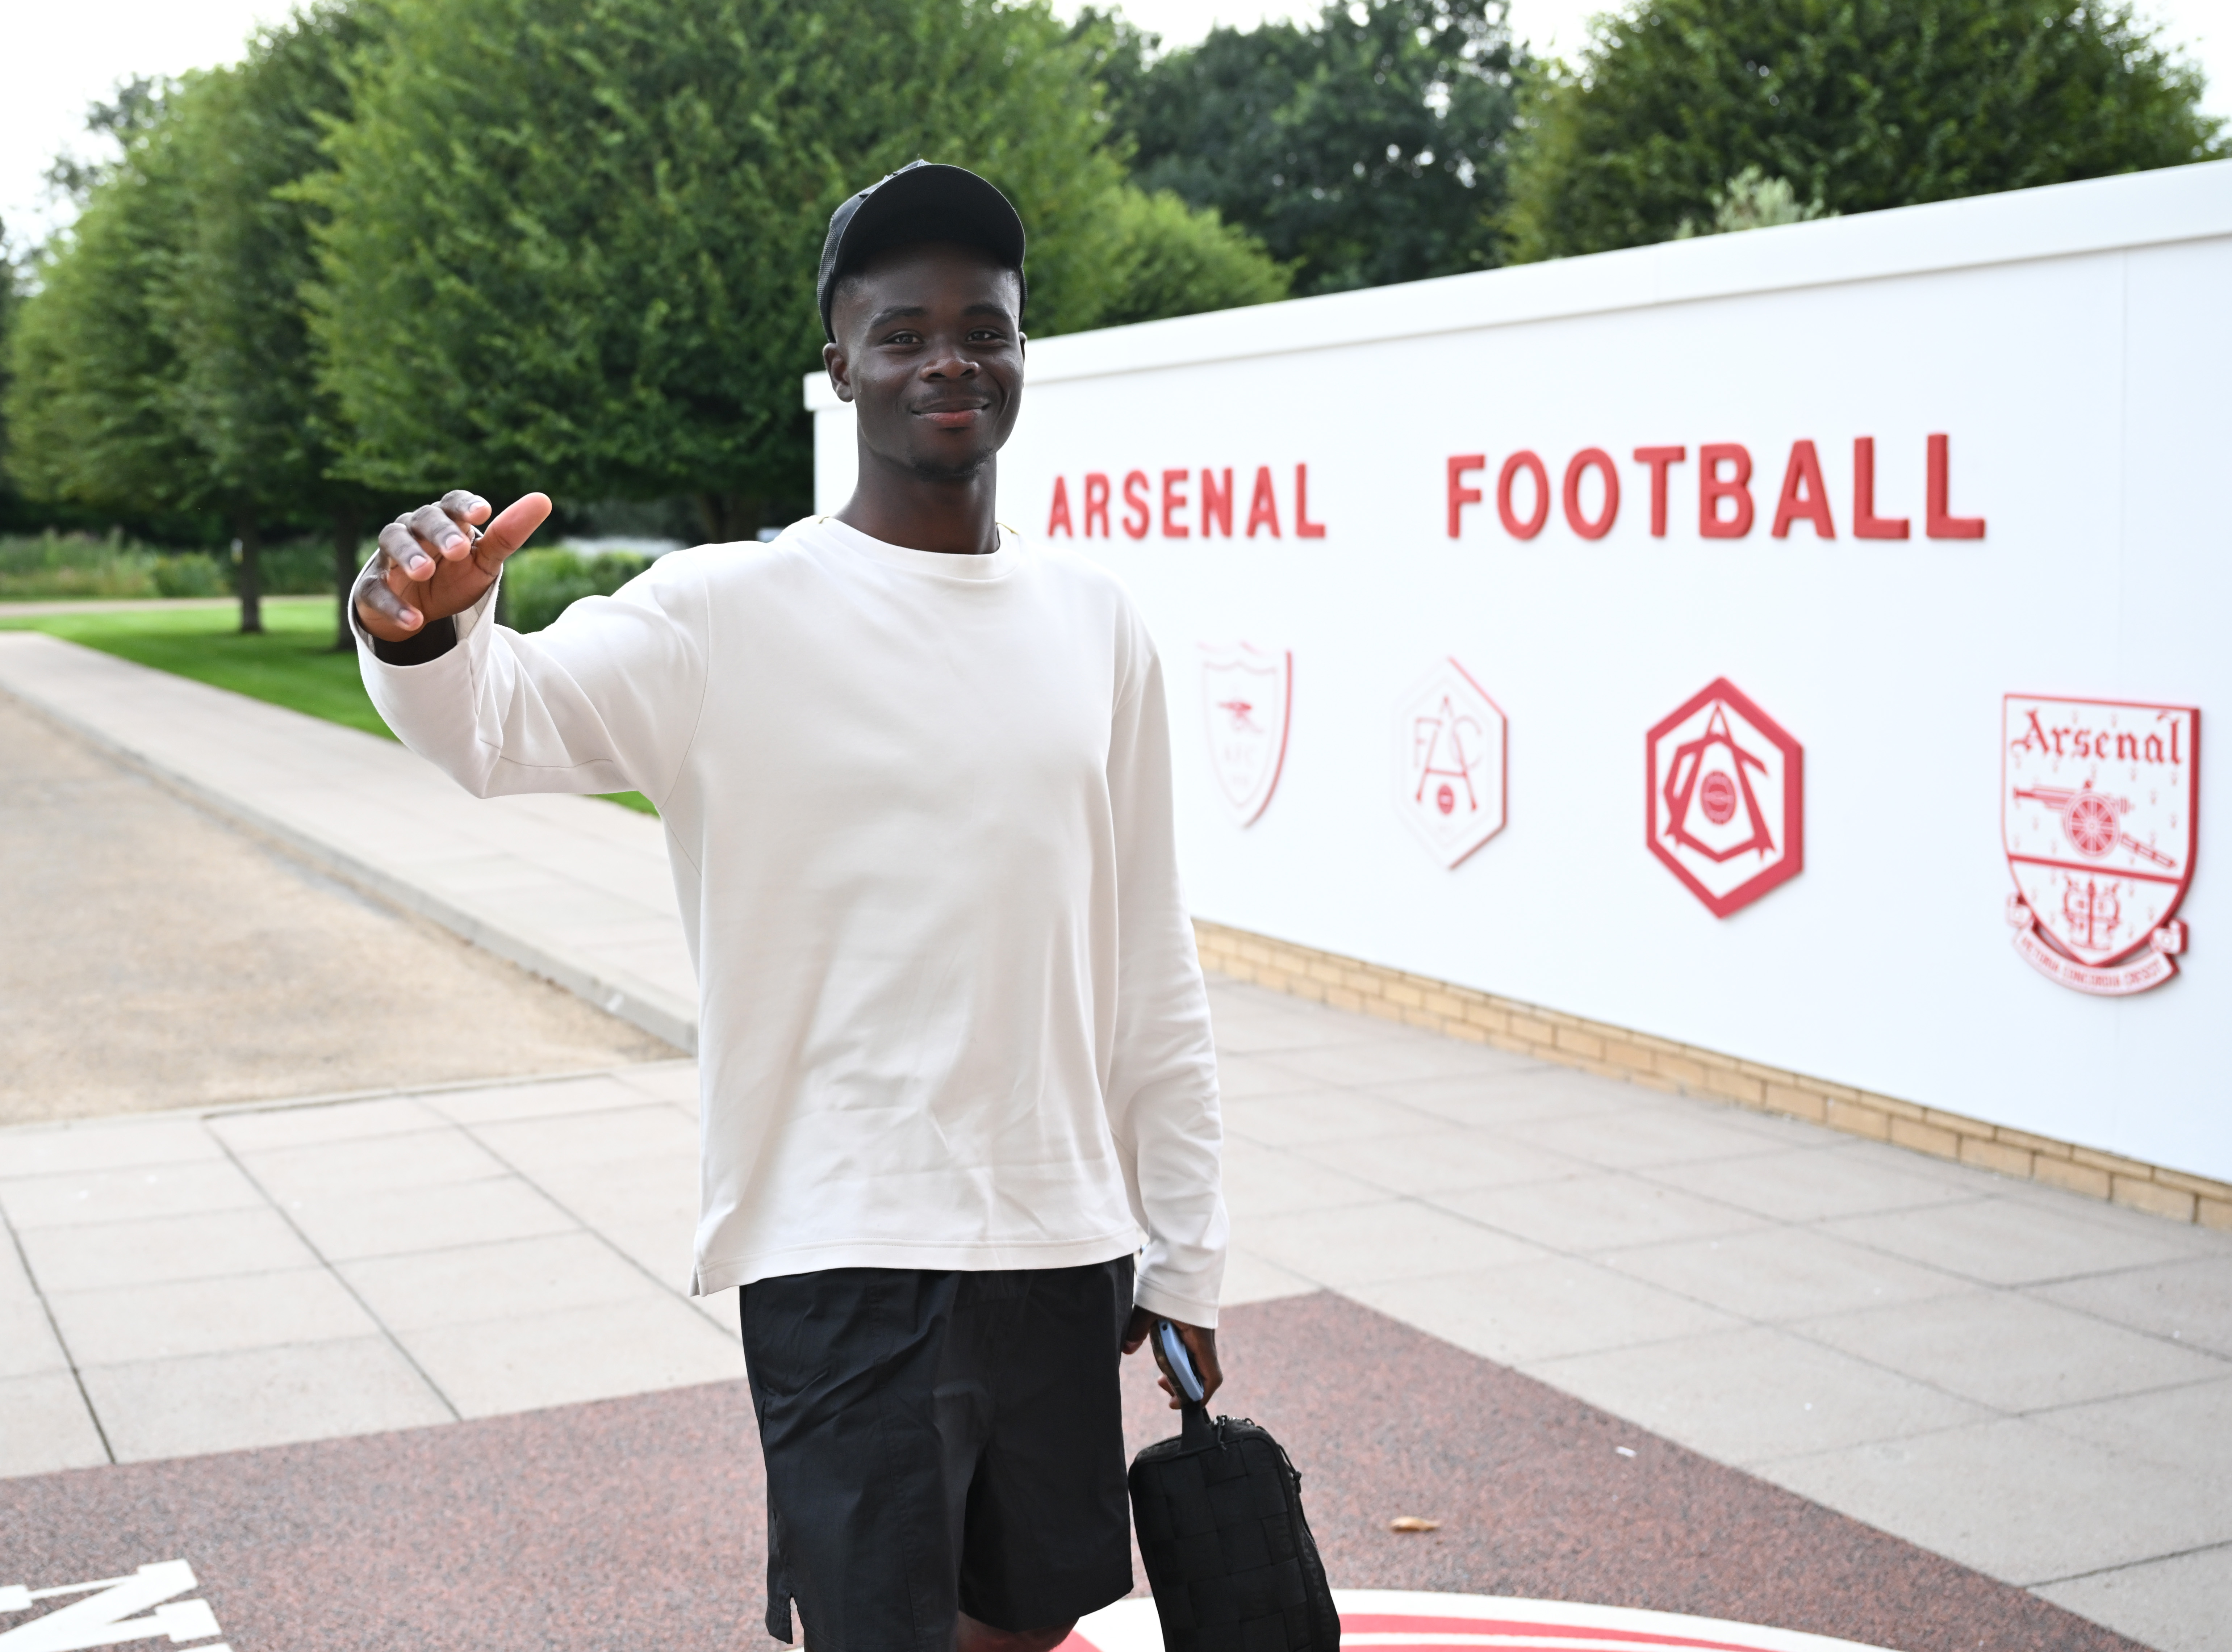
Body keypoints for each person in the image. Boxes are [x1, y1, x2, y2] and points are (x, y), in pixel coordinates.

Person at [349, 162, 1227, 1652]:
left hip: (1060, 1242)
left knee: (1031, 1627)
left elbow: (1151, 958)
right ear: (839, 367)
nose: (948, 357)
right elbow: (491, 724)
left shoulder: (1101, 624)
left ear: (1020, 351)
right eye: (900, 332)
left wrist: (1183, 1249)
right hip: (838, 1245)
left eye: (983, 326)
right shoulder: (719, 614)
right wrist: (412, 619)